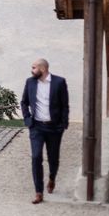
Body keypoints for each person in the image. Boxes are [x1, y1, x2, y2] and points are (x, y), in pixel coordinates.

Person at [20, 58, 69, 204]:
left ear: (43, 68)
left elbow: (64, 105)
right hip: (36, 127)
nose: (32, 70)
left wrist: (63, 124)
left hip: (54, 128)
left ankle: (52, 178)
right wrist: (28, 119)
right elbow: (24, 102)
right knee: (36, 157)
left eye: (34, 67)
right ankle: (39, 192)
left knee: (53, 158)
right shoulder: (30, 82)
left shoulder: (59, 82)